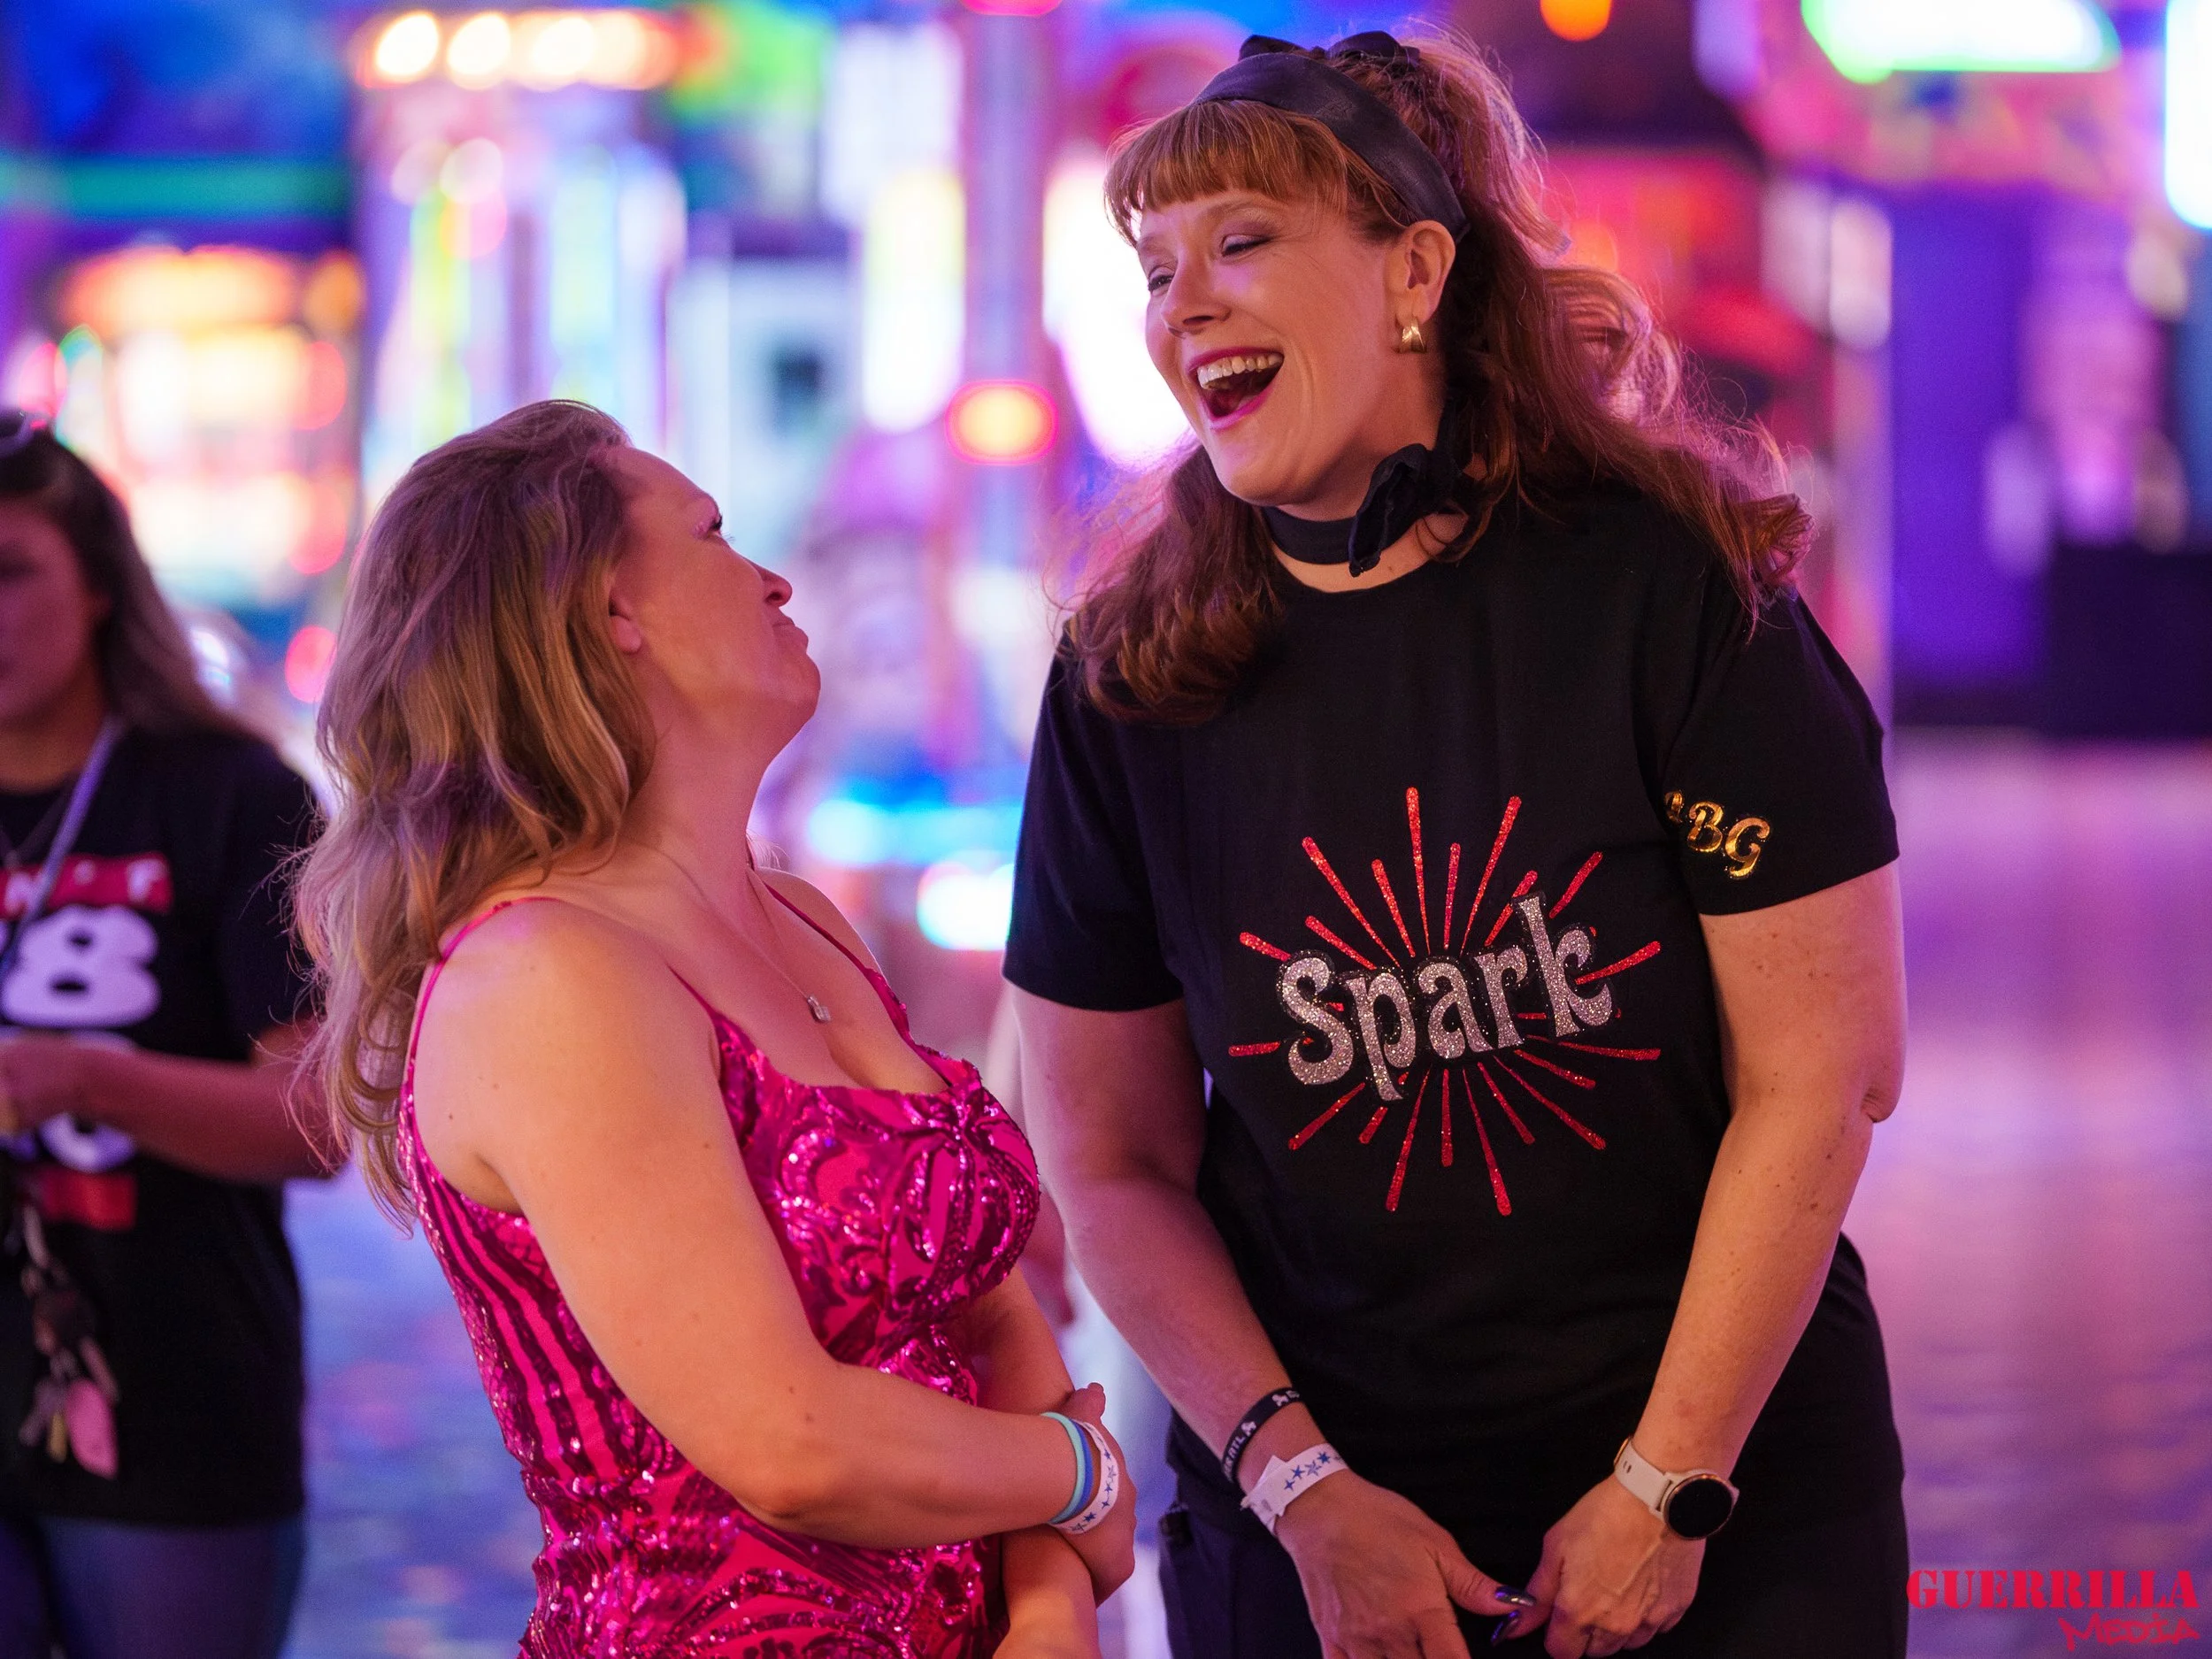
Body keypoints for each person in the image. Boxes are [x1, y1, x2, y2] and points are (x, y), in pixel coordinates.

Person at [1004, 31, 1909, 1659]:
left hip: (1728, 1495)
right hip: (1317, 1520)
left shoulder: (1672, 594)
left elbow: (1825, 1071)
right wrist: (1302, 1490)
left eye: (1244, 242)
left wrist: (1669, 1483)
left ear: (1418, 268)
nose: (1182, 305)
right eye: (1154, 268)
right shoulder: (1128, 677)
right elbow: (1113, 1161)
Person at [295, 400, 1136, 1655]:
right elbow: (786, 1438)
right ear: (606, 611)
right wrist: (1080, 1474)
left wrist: (1047, 1600)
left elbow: (989, 1300)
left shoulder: (796, 914)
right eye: (717, 532)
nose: (777, 574)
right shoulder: (546, 972)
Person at [0, 412, 327, 1659]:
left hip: (178, 1387)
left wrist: (82, 1077)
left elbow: (312, 1124)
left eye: (10, 569)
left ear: (95, 583)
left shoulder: (230, 795)